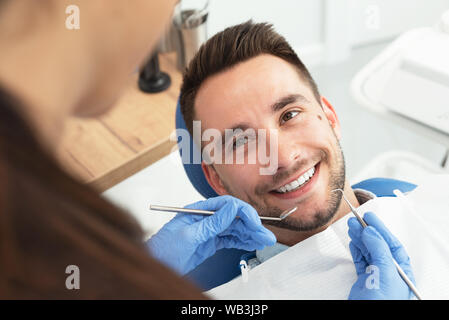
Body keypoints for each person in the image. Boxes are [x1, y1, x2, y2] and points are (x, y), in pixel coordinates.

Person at [0, 0, 413, 299]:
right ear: (214, 178)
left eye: (289, 114)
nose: (284, 158)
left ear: (330, 116)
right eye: (239, 141)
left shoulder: (426, 204)